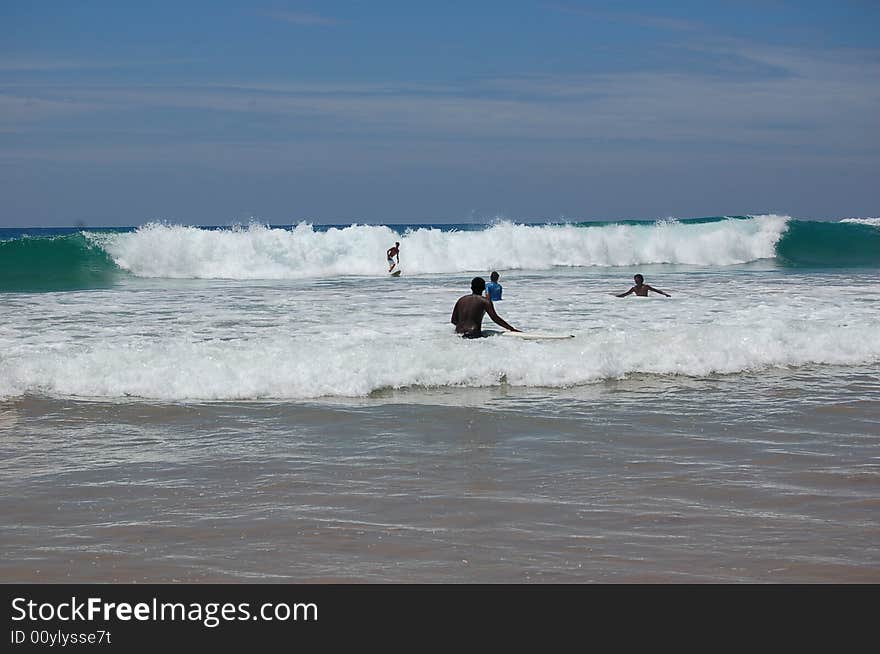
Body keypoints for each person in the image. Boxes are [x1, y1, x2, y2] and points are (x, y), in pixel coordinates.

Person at [451, 277, 520, 338]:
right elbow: (495, 318)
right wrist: (511, 328)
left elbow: (453, 320)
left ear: (471, 287)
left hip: (458, 334)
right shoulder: (485, 301)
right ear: (484, 288)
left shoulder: (461, 300)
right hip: (473, 334)